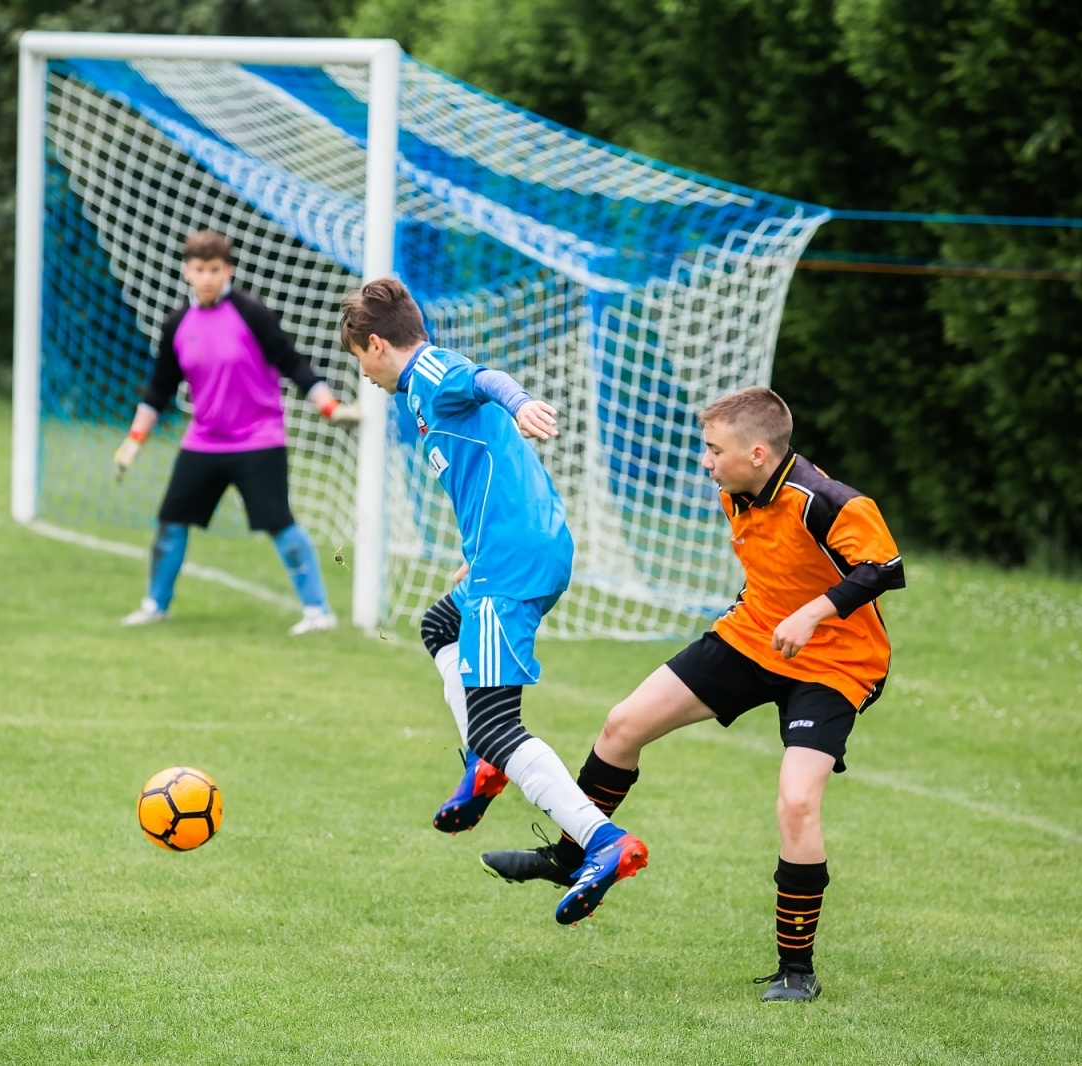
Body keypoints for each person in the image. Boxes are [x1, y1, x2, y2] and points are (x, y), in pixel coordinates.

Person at [481, 387, 904, 999]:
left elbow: (885, 568)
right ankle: (573, 858)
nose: (706, 462)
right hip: (752, 637)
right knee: (622, 725)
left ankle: (796, 973)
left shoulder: (830, 500)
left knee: (796, 804)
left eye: (714, 450)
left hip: (835, 665)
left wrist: (813, 614)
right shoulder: (738, 492)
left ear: (758, 453)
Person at [340, 277, 647, 925]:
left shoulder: (428, 370)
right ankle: (484, 766)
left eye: (358, 359)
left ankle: (603, 842)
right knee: (439, 625)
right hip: (506, 555)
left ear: (375, 345)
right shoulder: (421, 392)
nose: (362, 374)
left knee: (496, 724)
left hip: (513, 563)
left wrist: (523, 401)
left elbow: (484, 378)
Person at [112, 230, 354, 634]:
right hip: (204, 441)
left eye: (216, 269)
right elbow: (158, 389)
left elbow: (293, 363)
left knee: (279, 522)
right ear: (187, 271)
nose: (207, 277)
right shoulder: (177, 323)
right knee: (171, 521)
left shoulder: (251, 312)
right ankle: (155, 605)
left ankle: (318, 611)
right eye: (200, 269)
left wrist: (328, 405)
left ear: (229, 271)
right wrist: (132, 442)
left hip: (259, 439)